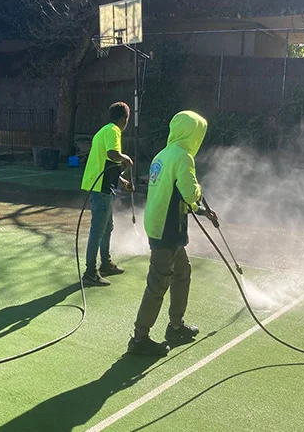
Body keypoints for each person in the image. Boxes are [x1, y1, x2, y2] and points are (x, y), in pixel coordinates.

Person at [127, 110, 218, 356]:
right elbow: (189, 193)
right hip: (166, 229)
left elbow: (175, 194)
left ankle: (176, 325)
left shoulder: (162, 155)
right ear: (193, 133)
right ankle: (139, 338)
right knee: (159, 282)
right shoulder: (183, 157)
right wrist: (198, 192)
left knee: (182, 272)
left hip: (162, 225)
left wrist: (200, 211)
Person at [80, 102, 134, 287]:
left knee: (107, 227)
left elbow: (107, 163)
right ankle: (90, 272)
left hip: (102, 186)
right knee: (98, 230)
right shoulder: (113, 131)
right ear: (123, 119)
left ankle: (105, 263)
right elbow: (112, 154)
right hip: (101, 188)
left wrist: (122, 181)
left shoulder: (103, 131)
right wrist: (126, 158)